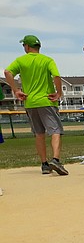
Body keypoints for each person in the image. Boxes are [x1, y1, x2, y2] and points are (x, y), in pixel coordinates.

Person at [4, 35, 69, 176]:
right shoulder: (47, 60)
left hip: (30, 101)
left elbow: (7, 72)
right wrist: (58, 93)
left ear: (27, 46)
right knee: (55, 131)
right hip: (47, 100)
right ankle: (56, 159)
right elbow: (56, 76)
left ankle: (44, 164)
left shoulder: (21, 60)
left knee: (39, 133)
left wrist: (16, 90)